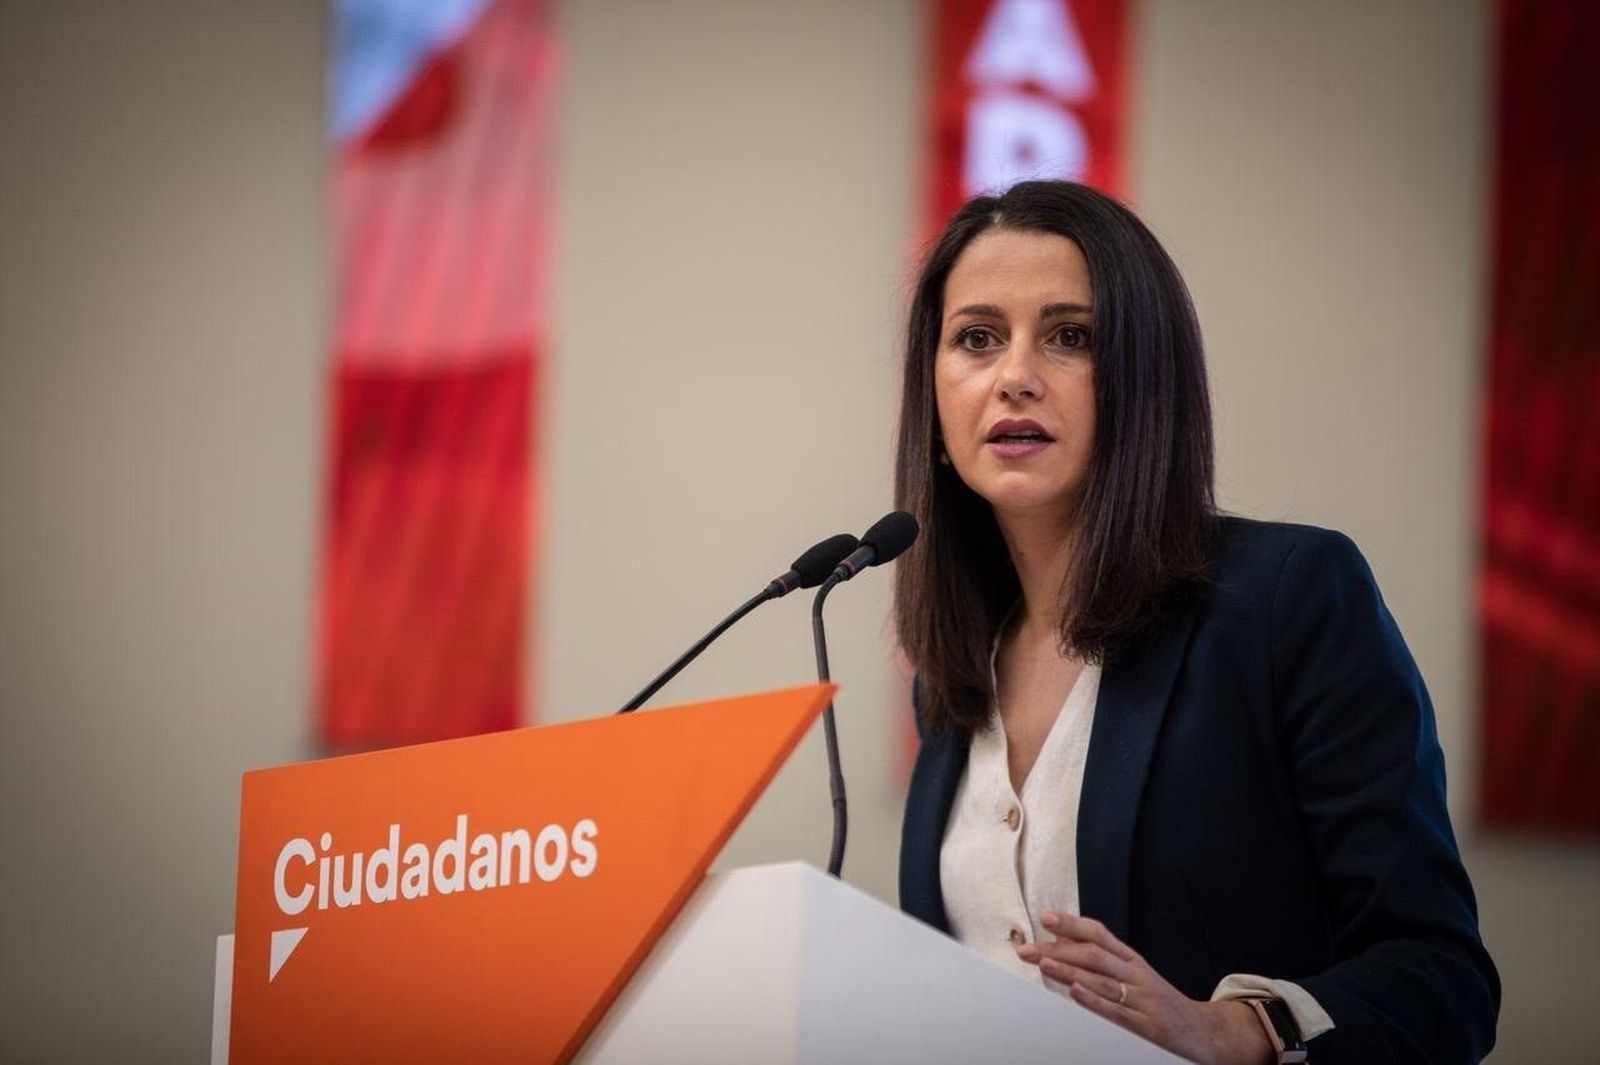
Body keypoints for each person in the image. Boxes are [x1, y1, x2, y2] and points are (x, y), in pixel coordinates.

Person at [893, 181, 1498, 1064]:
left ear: (1146, 380)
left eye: (1071, 336)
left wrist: (1233, 1030)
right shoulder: (952, 676)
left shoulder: (1287, 599)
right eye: (976, 338)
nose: (1014, 375)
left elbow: (1444, 978)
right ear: (937, 403)